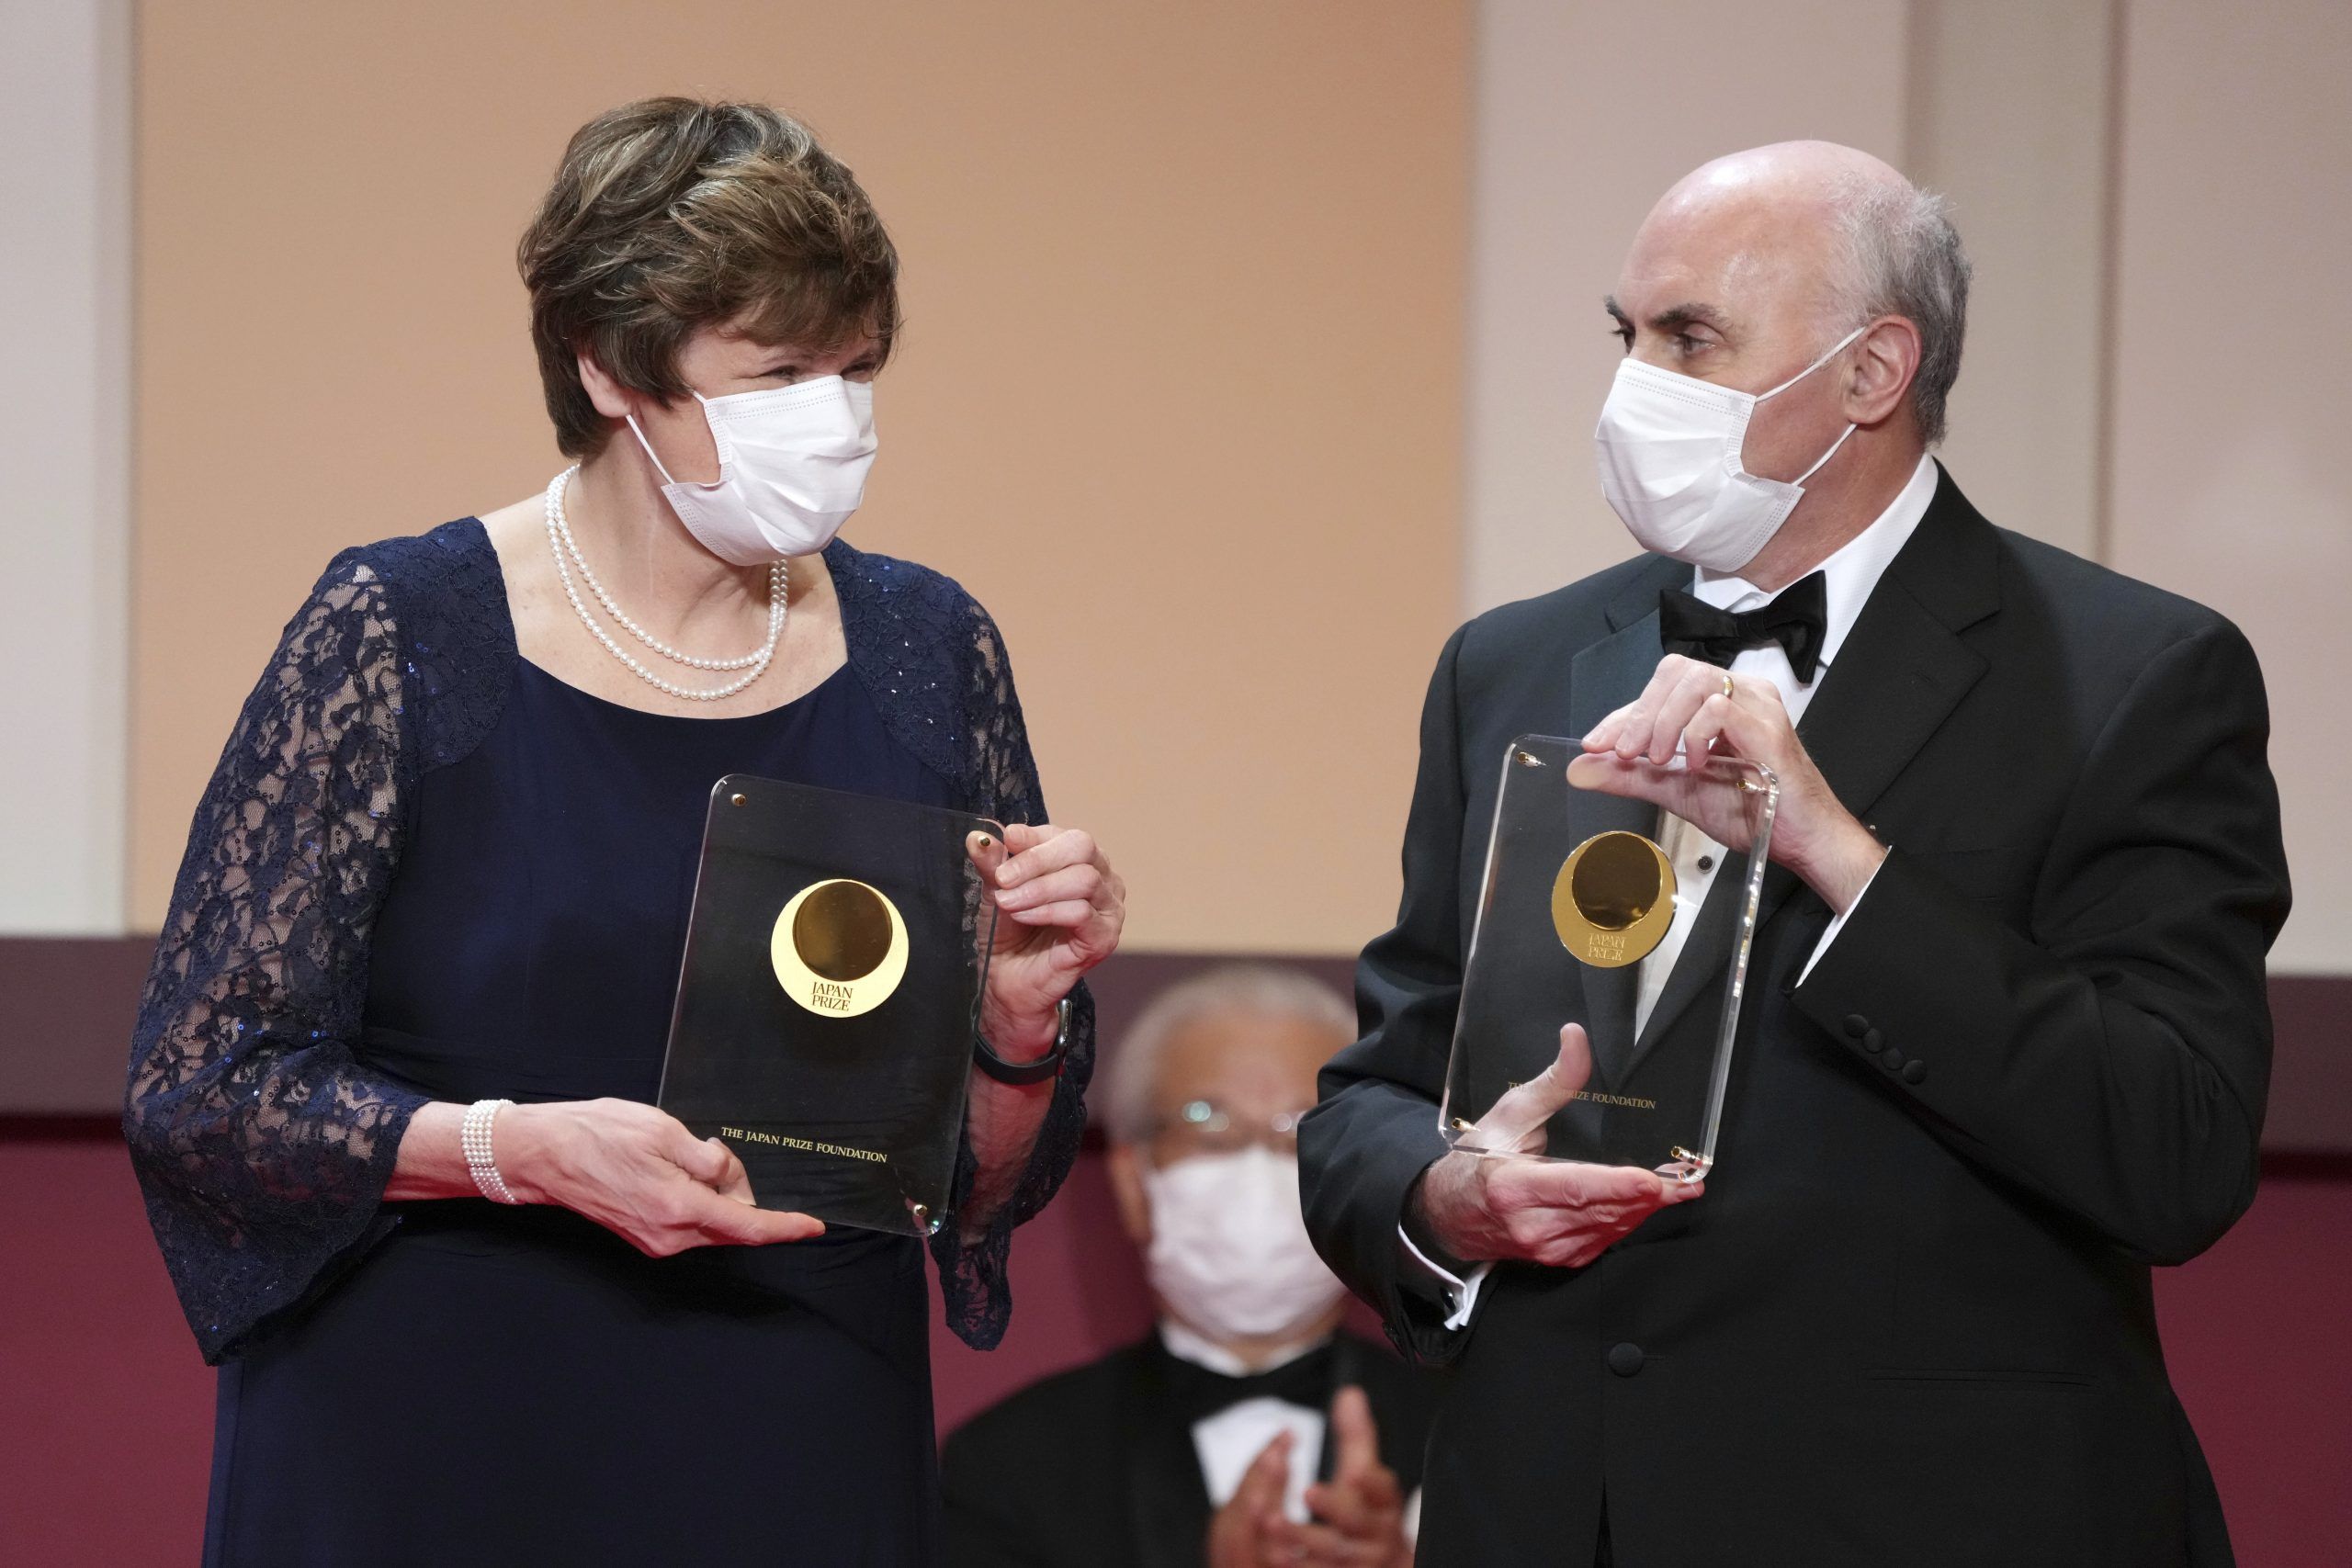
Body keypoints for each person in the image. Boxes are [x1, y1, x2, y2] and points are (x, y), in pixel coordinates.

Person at [123, 97, 1125, 1566]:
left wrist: (1021, 1026)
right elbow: (204, 1088)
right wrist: (514, 1148)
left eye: (857, 369)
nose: (834, 418)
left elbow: (973, 1183)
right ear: (608, 366)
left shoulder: (929, 646)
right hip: (433, 1431)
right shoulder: (400, 630)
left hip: (795, 1428)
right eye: (779, 370)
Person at [1298, 141, 2290, 1566]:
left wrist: (1839, 855)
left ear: (1874, 373)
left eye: (1689, 337)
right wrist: (1444, 1196)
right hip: (1550, 1506)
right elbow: (1376, 1093)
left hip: (1932, 1517)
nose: (1634, 382)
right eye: (1624, 332)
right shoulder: (1511, 662)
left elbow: (2176, 1148)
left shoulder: (2135, 672)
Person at [943, 966, 1431, 1568]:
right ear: (1130, 1182)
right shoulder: (1009, 1463)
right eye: (1209, 1121)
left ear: (1363, 1190)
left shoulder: (1468, 1439)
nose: (1258, 1165)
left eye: (1303, 1129)